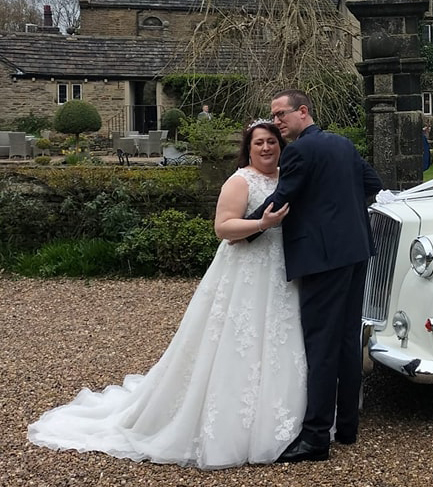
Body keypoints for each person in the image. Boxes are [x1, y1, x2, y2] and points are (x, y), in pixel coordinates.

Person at [27, 121, 300, 470]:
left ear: (281, 145)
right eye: (259, 143)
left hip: (279, 271)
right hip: (245, 271)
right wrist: (262, 224)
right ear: (248, 148)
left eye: (272, 142)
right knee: (236, 340)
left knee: (277, 339)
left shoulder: (286, 177)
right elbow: (223, 228)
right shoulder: (240, 180)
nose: (266, 148)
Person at [245, 89, 383, 463]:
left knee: (321, 347)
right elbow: (372, 185)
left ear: (303, 111)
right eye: (273, 116)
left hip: (322, 259)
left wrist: (246, 229)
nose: (276, 121)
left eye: (280, 114)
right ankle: (348, 427)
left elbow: (282, 200)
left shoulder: (300, 151)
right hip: (356, 252)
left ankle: (316, 438)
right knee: (346, 341)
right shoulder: (343, 145)